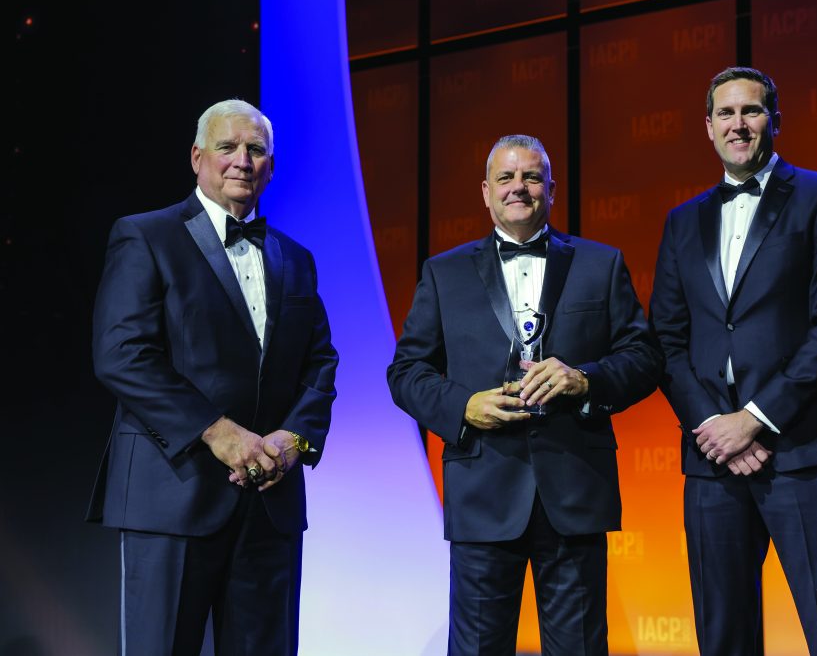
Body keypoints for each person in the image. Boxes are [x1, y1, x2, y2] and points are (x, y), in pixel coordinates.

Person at [388, 134, 662, 655]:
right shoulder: (443, 272)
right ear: (485, 192)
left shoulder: (600, 263)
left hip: (574, 490)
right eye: (506, 178)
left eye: (532, 177)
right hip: (482, 492)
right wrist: (463, 407)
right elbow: (406, 371)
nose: (519, 187)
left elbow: (644, 358)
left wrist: (585, 380)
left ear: (551, 190)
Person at [88, 99, 338, 655]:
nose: (242, 161)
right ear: (197, 158)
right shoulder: (145, 235)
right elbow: (122, 354)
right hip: (171, 494)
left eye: (256, 150)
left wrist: (293, 439)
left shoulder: (296, 258)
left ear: (271, 167)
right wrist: (218, 432)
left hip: (270, 500)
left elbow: (320, 362)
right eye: (227, 147)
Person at [650, 67, 817, 655]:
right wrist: (713, 427)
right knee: (722, 636)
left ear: (775, 119)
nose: (738, 124)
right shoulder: (682, 220)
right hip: (712, 458)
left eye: (751, 111)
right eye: (725, 113)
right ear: (708, 127)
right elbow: (665, 339)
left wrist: (754, 419)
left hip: (801, 446)